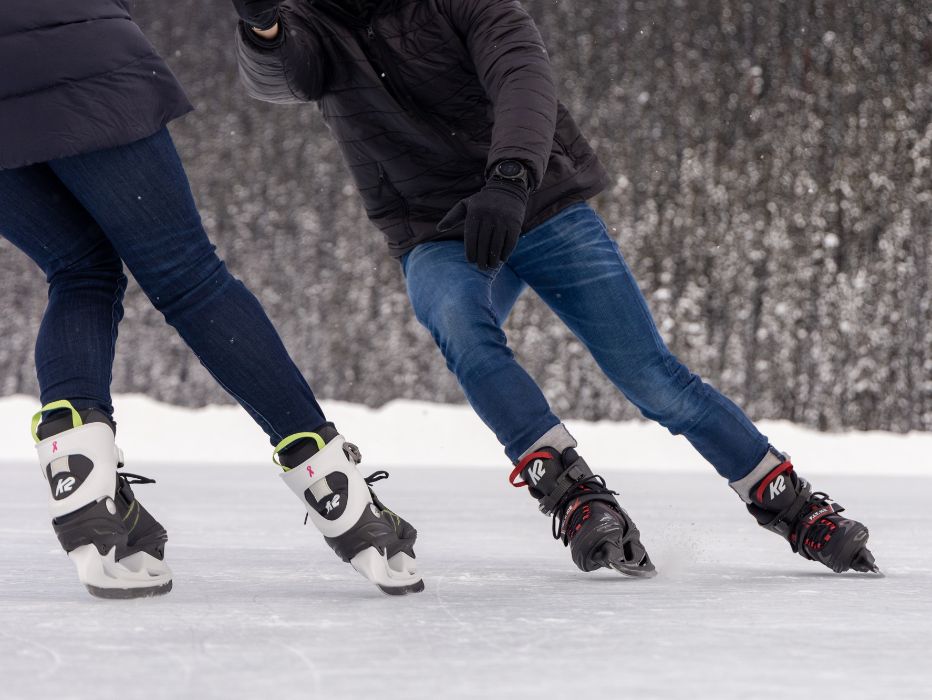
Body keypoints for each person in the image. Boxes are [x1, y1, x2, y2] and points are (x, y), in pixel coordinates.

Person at [232, 0, 881, 577]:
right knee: (461, 325)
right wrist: (261, 25)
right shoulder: (314, 24)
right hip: (433, 227)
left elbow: (522, 77)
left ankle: (792, 505)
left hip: (538, 200)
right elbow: (283, 76)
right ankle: (575, 496)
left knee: (649, 376)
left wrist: (510, 177)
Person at [0, 0, 423, 599]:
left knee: (78, 269)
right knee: (189, 277)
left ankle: (84, 492)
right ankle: (335, 488)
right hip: (74, 55)